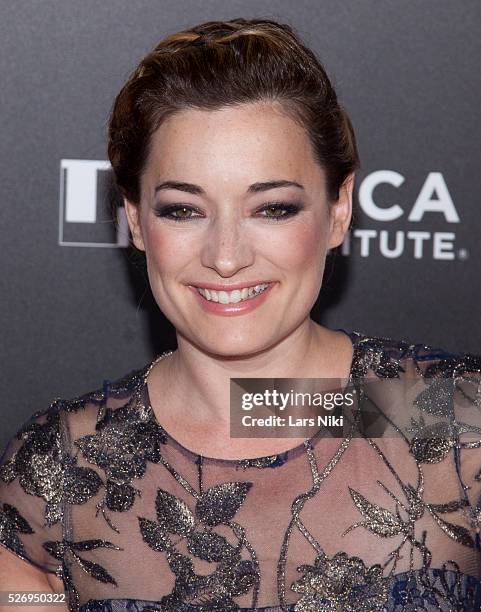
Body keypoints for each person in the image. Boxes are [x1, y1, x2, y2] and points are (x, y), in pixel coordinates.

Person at [1, 17, 480, 612]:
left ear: (338, 211)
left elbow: (289, 406)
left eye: (272, 208)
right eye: (182, 210)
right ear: (134, 220)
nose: (226, 257)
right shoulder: (60, 475)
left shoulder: (456, 427)